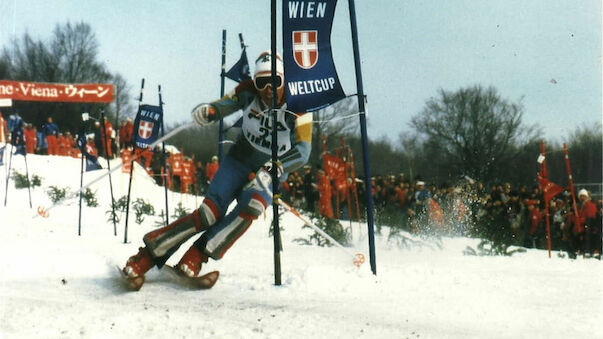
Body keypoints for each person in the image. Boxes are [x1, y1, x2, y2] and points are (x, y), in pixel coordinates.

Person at [121, 51, 313, 290]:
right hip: (241, 158)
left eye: (275, 81)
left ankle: (197, 255)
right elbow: (222, 106)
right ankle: (147, 255)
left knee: (252, 206)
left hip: (273, 167)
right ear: (255, 82)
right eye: (262, 82)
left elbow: (304, 150)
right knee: (208, 213)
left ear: (284, 79)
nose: (268, 89)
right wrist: (208, 112)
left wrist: (277, 166)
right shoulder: (247, 90)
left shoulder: (300, 102)